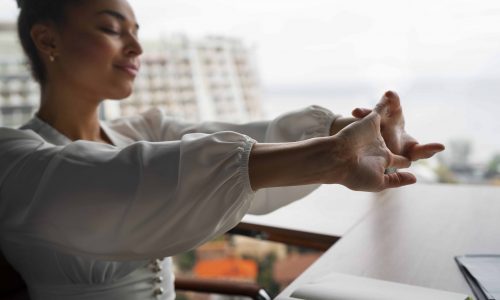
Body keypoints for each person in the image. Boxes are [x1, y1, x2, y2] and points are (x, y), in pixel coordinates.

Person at [0, 0, 445, 299]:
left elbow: (248, 137)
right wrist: (331, 155)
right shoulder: (13, 158)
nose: (136, 47)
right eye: (111, 29)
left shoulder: (145, 130)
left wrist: (351, 131)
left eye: (136, 31)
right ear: (47, 40)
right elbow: (121, 184)